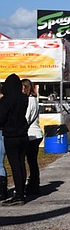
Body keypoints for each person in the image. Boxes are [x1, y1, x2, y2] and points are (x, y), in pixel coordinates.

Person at [0, 74, 28, 205]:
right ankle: (22, 191)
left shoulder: (6, 100)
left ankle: (19, 195)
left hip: (10, 134)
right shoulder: (24, 98)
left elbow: (1, 117)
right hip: (22, 133)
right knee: (21, 163)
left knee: (14, 165)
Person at [21, 79, 43, 197]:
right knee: (32, 161)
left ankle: (33, 184)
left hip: (32, 134)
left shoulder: (30, 101)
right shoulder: (33, 100)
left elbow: (27, 117)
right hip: (33, 133)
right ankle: (34, 183)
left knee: (31, 161)